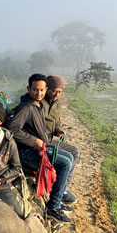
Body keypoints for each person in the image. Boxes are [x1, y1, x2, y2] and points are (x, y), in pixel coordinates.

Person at [8, 73, 73, 224]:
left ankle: (58, 197)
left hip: (39, 149)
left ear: (46, 89)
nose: (39, 93)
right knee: (65, 163)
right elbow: (13, 129)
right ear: (28, 89)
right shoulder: (26, 107)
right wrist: (33, 141)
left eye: (42, 90)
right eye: (35, 90)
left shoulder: (38, 106)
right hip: (27, 152)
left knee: (69, 157)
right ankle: (53, 207)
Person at [44, 75, 80, 205]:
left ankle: (64, 188)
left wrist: (58, 130)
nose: (56, 94)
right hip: (42, 142)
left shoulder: (57, 105)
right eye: (54, 91)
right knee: (66, 160)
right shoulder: (39, 103)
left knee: (75, 152)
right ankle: (56, 198)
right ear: (47, 89)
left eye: (59, 92)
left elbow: (57, 122)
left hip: (50, 140)